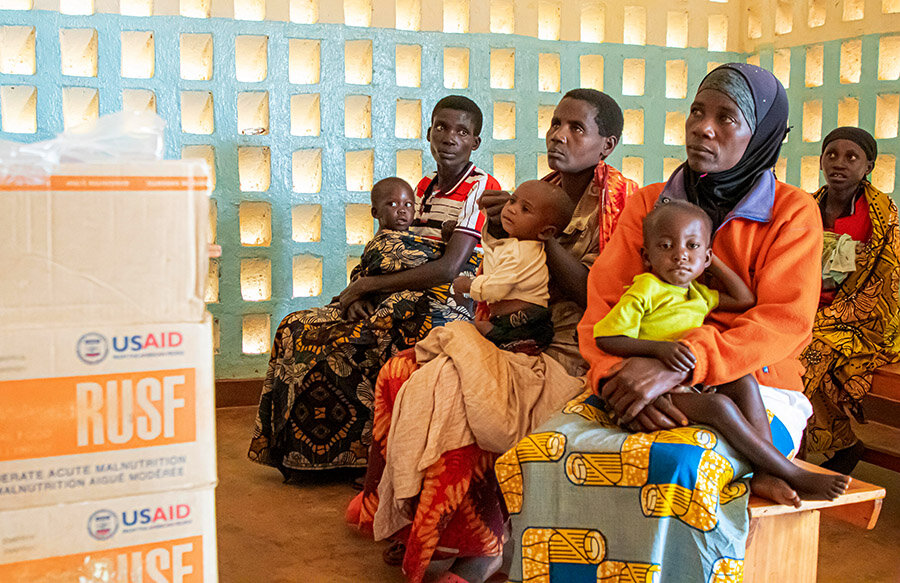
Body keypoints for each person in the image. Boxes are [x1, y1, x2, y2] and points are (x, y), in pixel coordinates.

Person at [499, 63, 825, 582]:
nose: (704, 127)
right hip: (635, 377)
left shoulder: (792, 212)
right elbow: (604, 307)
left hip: (756, 394)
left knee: (680, 468)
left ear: (761, 133)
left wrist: (680, 364)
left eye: (726, 117)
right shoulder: (652, 205)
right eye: (698, 111)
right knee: (543, 453)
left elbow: (782, 322)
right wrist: (613, 378)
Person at [346, 88, 638, 583]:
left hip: (573, 348)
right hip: (513, 333)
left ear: (606, 144)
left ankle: (478, 545)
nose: (559, 136)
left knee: (456, 401)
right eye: (555, 124)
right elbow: (504, 273)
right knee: (400, 372)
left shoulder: (622, 204)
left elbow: (599, 297)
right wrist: (507, 228)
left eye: (577, 129)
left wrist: (538, 238)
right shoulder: (537, 190)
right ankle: (411, 521)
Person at [248, 96, 499, 474]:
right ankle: (307, 454)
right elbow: (394, 248)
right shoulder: (423, 187)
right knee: (295, 328)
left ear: (475, 143)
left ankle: (375, 457)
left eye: (462, 131)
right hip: (400, 295)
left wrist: (366, 286)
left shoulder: (481, 187)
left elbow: (449, 268)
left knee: (365, 340)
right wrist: (358, 294)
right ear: (429, 132)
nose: (449, 137)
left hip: (447, 306)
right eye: (441, 127)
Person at [594, 200, 849, 506]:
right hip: (650, 385)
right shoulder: (645, 289)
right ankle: (788, 471)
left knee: (743, 381)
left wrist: (707, 261)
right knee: (719, 407)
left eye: (691, 246)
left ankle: (766, 474)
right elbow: (606, 336)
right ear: (646, 257)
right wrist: (657, 350)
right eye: (666, 246)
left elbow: (744, 299)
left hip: (689, 376)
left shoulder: (697, 294)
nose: (679, 255)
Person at [801, 127, 900, 474]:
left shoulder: (881, 213)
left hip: (865, 317)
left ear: (868, 166)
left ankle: (791, 457)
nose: (839, 163)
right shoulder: (807, 208)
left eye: (851, 157)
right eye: (831, 154)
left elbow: (889, 277)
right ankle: (845, 444)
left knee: (806, 356)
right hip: (808, 309)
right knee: (775, 344)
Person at [452, 180, 575, 352]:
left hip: (523, 322)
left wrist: (468, 285)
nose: (512, 208)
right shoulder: (519, 245)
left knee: (461, 332)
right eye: (512, 200)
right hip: (523, 323)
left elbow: (496, 289)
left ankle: (505, 340)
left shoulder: (522, 253)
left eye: (525, 209)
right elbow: (492, 256)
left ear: (546, 232)